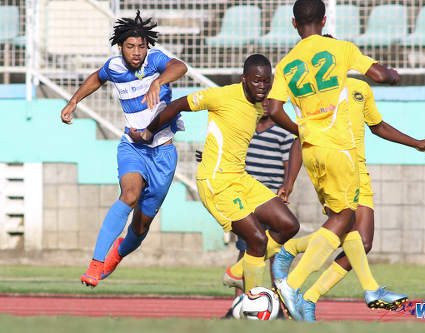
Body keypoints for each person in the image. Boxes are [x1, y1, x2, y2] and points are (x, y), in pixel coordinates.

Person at [266, 0, 407, 321]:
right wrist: (392, 74)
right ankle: (293, 283)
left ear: (293, 24)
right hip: (339, 148)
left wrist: (302, 130)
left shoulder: (287, 63)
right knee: (344, 217)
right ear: (325, 20)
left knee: (344, 221)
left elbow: (273, 110)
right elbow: (380, 75)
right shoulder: (341, 49)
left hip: (313, 151)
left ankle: (370, 287)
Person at [129, 54, 300, 294]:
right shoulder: (222, 95)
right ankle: (251, 303)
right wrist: (148, 132)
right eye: (257, 81)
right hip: (216, 183)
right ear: (244, 80)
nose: (262, 87)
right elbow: (178, 105)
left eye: (266, 82)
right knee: (257, 240)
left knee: (288, 225)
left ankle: (237, 273)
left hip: (240, 178)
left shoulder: (262, 104)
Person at [276, 76, 425, 321]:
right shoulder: (316, 91)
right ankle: (306, 285)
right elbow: (302, 136)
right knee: (345, 223)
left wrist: (416, 143)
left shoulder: (359, 89)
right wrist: (288, 182)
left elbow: (377, 126)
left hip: (359, 170)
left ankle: (308, 291)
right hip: (333, 167)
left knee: (363, 243)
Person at [60, 10, 188, 287]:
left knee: (140, 229)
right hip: (133, 148)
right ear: (121, 47)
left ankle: (117, 254)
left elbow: (180, 67)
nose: (137, 52)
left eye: (141, 46)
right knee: (129, 194)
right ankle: (95, 264)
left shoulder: (156, 62)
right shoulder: (115, 67)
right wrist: (73, 102)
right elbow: (97, 77)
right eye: (131, 46)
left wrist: (158, 81)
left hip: (163, 153)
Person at [216, 99, 294, 318]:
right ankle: (239, 306)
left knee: (274, 259)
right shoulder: (246, 128)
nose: (267, 104)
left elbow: (289, 164)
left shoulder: (282, 132)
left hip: (269, 201)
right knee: (245, 251)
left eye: (271, 101)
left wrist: (285, 187)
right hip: (245, 199)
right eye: (263, 100)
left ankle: (278, 309)